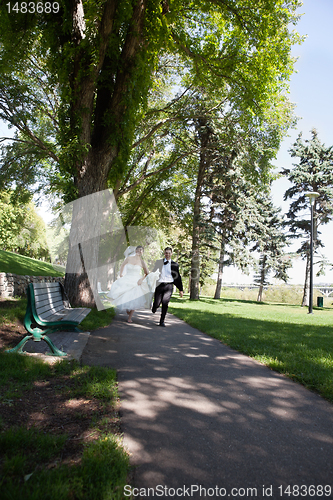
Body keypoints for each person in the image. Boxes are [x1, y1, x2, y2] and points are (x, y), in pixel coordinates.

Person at [108, 245, 160, 323]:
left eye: (141, 250)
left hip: (136, 281)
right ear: (136, 251)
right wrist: (121, 274)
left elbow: (147, 273)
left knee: (134, 297)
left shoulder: (142, 262)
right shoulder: (129, 259)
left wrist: (141, 280)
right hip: (127, 278)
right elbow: (122, 265)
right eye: (138, 250)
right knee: (125, 295)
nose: (140, 251)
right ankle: (127, 309)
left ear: (143, 253)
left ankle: (130, 317)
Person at [152, 247, 183, 326]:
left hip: (169, 286)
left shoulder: (175, 265)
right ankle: (155, 307)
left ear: (171, 254)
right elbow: (153, 272)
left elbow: (178, 277)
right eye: (166, 253)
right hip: (159, 285)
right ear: (164, 253)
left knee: (165, 303)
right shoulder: (159, 262)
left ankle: (162, 321)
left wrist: (181, 289)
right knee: (157, 303)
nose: (168, 254)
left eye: (169, 253)